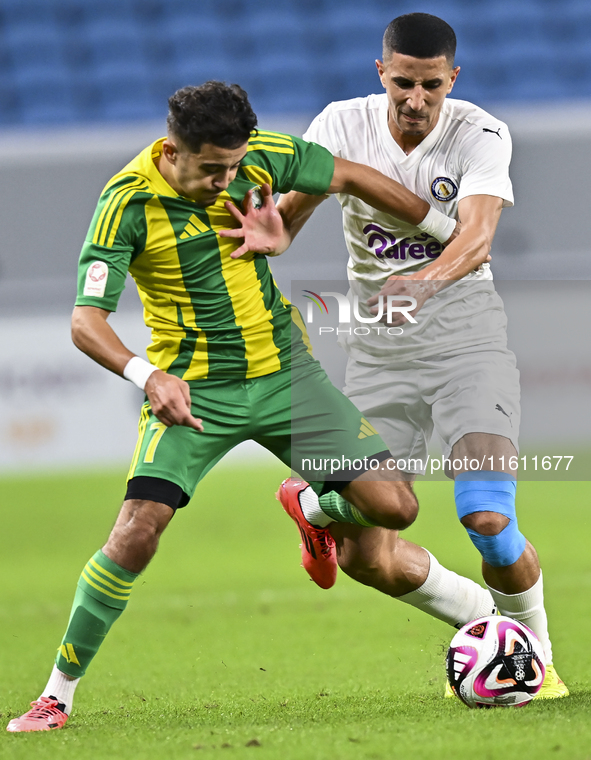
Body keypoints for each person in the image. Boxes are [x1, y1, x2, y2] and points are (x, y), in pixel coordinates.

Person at [7, 80, 497, 733]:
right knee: (136, 532)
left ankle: (312, 503)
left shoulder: (259, 155)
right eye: (213, 169)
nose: (228, 180)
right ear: (173, 149)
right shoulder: (125, 203)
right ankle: (56, 696)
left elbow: (349, 174)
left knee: (395, 508)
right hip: (193, 392)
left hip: (283, 375)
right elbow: (84, 321)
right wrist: (146, 374)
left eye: (235, 166)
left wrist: (442, 230)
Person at [233, 13, 568, 699]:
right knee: (369, 557)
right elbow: (288, 221)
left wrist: (423, 282)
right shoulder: (340, 124)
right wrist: (271, 235)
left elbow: (475, 238)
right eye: (403, 84)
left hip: (466, 337)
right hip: (379, 350)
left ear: (451, 79)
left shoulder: (479, 133)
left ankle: (535, 659)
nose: (416, 99)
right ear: (381, 72)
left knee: (487, 518)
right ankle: (480, 625)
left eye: (431, 86)